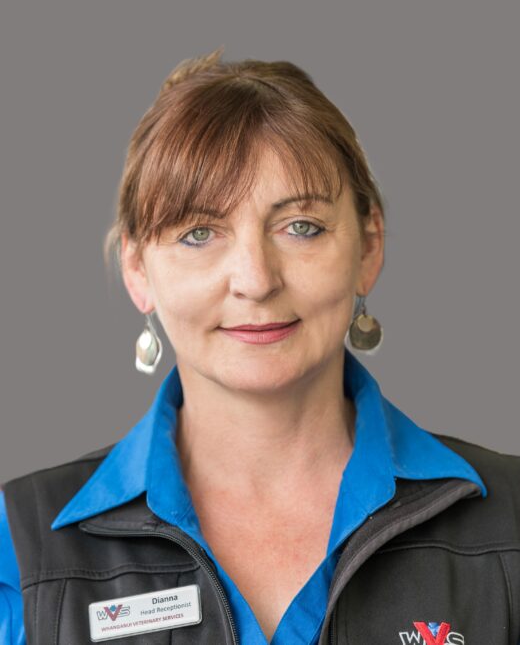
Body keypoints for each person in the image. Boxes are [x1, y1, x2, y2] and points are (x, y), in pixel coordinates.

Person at [1, 47, 519, 645]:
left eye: (301, 227)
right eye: (199, 233)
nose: (255, 279)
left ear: (369, 246)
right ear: (138, 270)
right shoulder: (19, 546)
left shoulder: (509, 520)